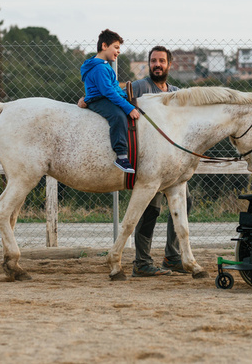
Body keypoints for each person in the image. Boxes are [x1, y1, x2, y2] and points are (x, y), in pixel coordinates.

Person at [79, 46, 191, 277]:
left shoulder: (177, 93)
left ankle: (172, 255)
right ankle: (142, 261)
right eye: (153, 61)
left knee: (184, 203)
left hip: (171, 165)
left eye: (161, 61)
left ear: (170, 64)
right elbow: (112, 93)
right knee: (150, 210)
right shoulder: (139, 87)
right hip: (149, 163)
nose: (157, 65)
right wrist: (88, 99)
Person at [80, 29, 140, 173]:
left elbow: (114, 88)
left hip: (105, 96)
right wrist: (127, 107)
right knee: (118, 116)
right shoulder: (99, 68)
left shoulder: (104, 66)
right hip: (99, 99)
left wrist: (127, 99)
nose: (118, 51)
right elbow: (108, 91)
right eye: (116, 47)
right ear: (104, 46)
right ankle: (121, 155)